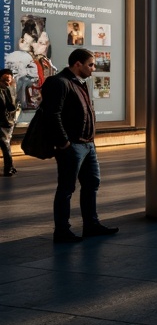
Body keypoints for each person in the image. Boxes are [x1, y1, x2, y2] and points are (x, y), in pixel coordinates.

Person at [42, 49, 118, 242]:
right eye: (90, 64)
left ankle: (91, 225)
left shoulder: (81, 83)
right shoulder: (59, 82)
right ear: (77, 64)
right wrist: (64, 143)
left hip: (88, 144)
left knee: (92, 183)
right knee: (66, 188)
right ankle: (62, 231)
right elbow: (53, 114)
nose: (93, 68)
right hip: (72, 146)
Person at [1, 68, 17, 176]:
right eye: (4, 80)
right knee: (5, 145)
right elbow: (9, 106)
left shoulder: (9, 89)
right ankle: (9, 168)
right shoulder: (4, 90)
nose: (7, 82)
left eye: (9, 80)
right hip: (3, 122)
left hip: (6, 122)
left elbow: (12, 107)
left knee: (5, 145)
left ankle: (10, 167)